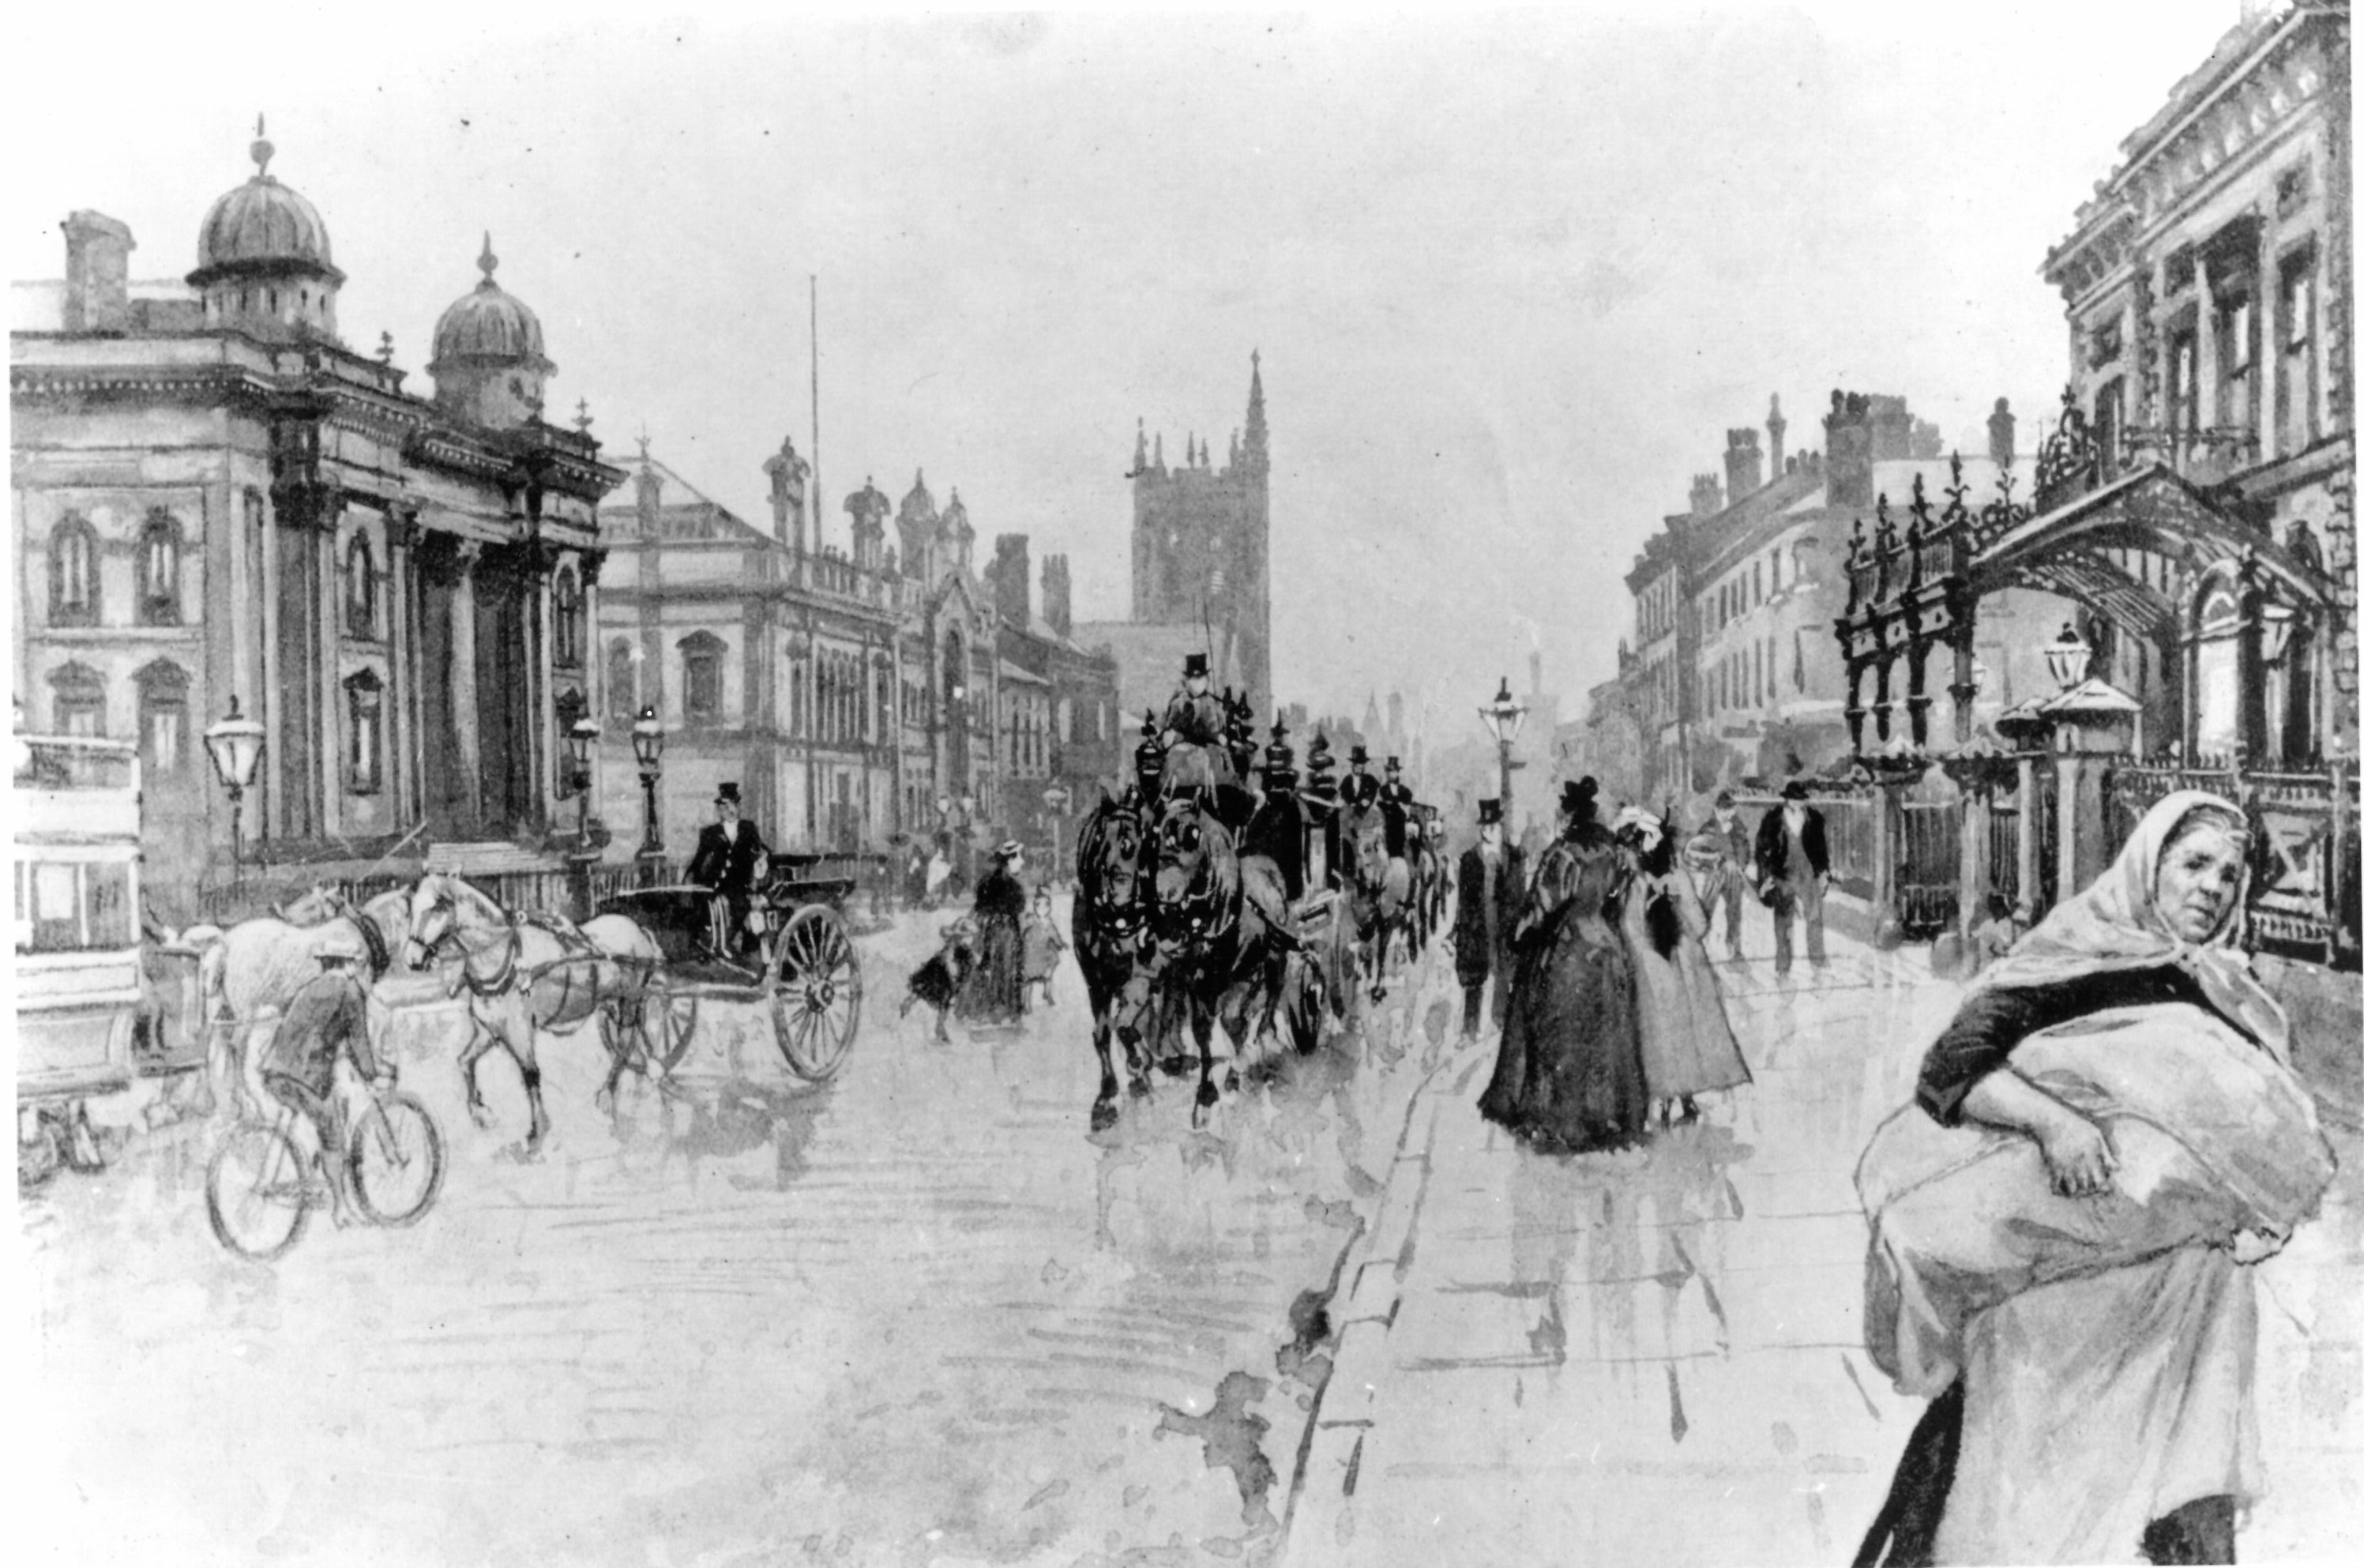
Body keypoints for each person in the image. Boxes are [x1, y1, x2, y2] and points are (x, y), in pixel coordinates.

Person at [1852, 792, 2336, 1566]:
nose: (2212, 886)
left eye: (2228, 872)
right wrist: (2055, 1121)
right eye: (2193, 864)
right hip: (2057, 1305)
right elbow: (1949, 1069)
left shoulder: (2218, 985)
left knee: (2178, 1500)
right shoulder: (2081, 950)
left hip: (2180, 1299)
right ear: (2147, 866)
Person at [1478, 778, 1648, 1152]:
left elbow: (1542, 906)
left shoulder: (1563, 854)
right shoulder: (1611, 851)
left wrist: (1517, 935)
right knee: (1605, 1037)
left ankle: (1561, 1121)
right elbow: (1617, 900)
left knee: (1555, 1034)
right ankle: (1606, 1117)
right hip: (1607, 950)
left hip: (1568, 953)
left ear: (1569, 815)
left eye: (1561, 813)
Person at [1615, 808, 1750, 1125]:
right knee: (1688, 1034)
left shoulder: (1636, 884)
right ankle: (1685, 1096)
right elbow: (1700, 925)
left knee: (1660, 1036)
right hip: (1686, 971)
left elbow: (1630, 930)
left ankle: (1665, 1098)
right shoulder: (1677, 878)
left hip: (1652, 973)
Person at [260, 935, 388, 1227]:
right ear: (350, 965)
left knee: (328, 1108)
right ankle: (341, 1208)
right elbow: (358, 1040)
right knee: (334, 1136)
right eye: (356, 963)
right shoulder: (349, 989)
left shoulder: (312, 988)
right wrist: (372, 1075)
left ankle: (314, 1167)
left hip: (275, 1072)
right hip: (305, 1077)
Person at [1453, 798, 1524, 1040]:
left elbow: (1519, 895)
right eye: (1483, 828)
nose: (1486, 832)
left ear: (1500, 826)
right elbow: (1464, 902)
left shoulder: (1514, 857)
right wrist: (1461, 929)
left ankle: (1499, 1021)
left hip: (1504, 924)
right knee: (1474, 977)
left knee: (1503, 971)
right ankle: (1469, 1029)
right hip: (1478, 924)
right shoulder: (1470, 860)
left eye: (1491, 827)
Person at [686, 782, 771, 958]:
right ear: (719, 809)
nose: (730, 810)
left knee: (740, 907)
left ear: (738, 806)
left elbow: (763, 850)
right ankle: (705, 945)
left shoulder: (748, 828)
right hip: (714, 884)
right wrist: (689, 879)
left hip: (739, 884)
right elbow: (699, 860)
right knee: (701, 910)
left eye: (733, 805)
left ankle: (732, 945)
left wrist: (762, 859)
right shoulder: (710, 832)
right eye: (724, 806)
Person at [1753, 778, 1829, 976]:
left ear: (1804, 800)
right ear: (1786, 799)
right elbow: (1762, 849)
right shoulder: (1773, 819)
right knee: (1783, 920)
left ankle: (1818, 961)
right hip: (1783, 875)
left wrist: (1823, 873)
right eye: (1793, 799)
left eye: (1800, 799)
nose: (1797, 803)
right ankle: (1783, 967)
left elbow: (1822, 850)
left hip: (1807, 875)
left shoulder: (1815, 818)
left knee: (1814, 917)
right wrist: (1766, 876)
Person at [957, 841, 1028, 1026]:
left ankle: (992, 1011)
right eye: (1018, 857)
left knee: (991, 970)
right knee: (1005, 970)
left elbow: (978, 909)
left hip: (991, 932)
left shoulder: (987, 883)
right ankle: (1005, 1012)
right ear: (1009, 860)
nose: (1022, 862)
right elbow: (1017, 916)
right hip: (1005, 935)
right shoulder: (1014, 887)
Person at [1159, 653, 1232, 797]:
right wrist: (1171, 734)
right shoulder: (1178, 703)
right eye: (1193, 678)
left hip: (1208, 744)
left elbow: (1219, 729)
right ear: (1187, 680)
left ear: (1206, 679)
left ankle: (1222, 796)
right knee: (1173, 760)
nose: (1196, 682)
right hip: (1184, 744)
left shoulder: (1214, 704)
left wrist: (1220, 736)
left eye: (1200, 678)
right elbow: (1171, 726)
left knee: (1220, 760)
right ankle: (1167, 795)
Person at [902, 918, 977, 1043]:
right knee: (923, 989)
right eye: (967, 937)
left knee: (943, 1001)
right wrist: (954, 977)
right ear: (959, 936)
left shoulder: (963, 949)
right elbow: (949, 961)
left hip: (945, 975)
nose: (969, 940)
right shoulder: (953, 946)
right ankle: (907, 1006)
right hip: (940, 972)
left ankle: (940, 1029)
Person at [1704, 790, 1753, 957]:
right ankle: (1703, 945)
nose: (1726, 814)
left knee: (1734, 912)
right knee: (1707, 910)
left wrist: (1740, 865)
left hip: (1734, 875)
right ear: (1717, 810)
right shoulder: (1709, 828)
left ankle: (1734, 947)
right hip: (1715, 875)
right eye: (1723, 810)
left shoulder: (1738, 828)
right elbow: (1703, 850)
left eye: (1729, 811)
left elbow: (1745, 850)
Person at [1020, 889, 1067, 1010]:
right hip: (1031, 955)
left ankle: (1047, 993)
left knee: (1048, 970)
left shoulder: (1048, 923)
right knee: (1028, 978)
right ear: (1035, 906)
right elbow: (1022, 933)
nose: (1043, 908)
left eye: (1046, 905)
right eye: (1039, 905)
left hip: (1043, 954)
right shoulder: (1030, 920)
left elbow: (1055, 936)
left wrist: (1060, 944)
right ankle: (1027, 1003)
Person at [1967, 893, 2022, 976]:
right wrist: (1971, 935)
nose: (1996, 912)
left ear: (2003, 909)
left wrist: (1995, 947)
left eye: (1999, 909)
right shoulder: (1988, 923)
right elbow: (1978, 932)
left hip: (1999, 961)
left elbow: (2008, 942)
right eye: (1994, 909)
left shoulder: (2007, 923)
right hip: (1985, 961)